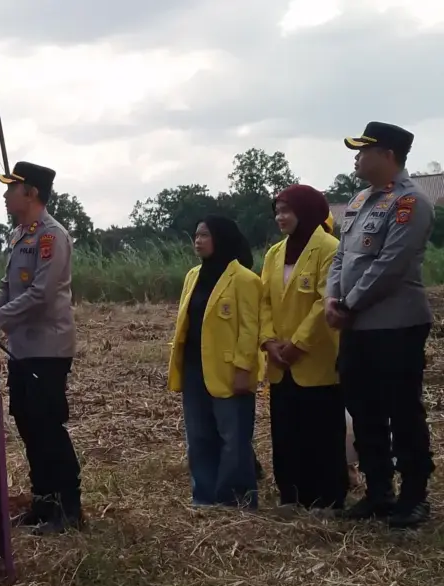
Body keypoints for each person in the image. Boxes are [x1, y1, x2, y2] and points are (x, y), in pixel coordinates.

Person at [328, 121, 436, 528]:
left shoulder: (410, 203)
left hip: (396, 325)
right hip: (356, 327)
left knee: (402, 411)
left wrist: (349, 303)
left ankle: (414, 495)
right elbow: (342, 256)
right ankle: (378, 491)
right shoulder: (359, 201)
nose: (356, 158)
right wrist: (331, 298)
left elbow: (392, 264)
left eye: (363, 150)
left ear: (388, 155)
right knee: (363, 409)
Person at [0, 161, 81, 534]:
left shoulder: (52, 236)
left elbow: (41, 293)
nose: (5, 195)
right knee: (28, 423)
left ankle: (68, 508)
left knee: (48, 426)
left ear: (30, 193)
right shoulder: (21, 235)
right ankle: (43, 503)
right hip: (22, 348)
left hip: (47, 348)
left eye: (11, 188)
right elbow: (7, 285)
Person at [259, 184, 348, 510]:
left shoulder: (330, 248)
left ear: (307, 211)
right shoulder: (274, 253)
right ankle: (291, 495)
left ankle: (327, 499)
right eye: (277, 211)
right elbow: (264, 301)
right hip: (280, 362)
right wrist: (269, 341)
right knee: (286, 431)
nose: (280, 217)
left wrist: (297, 345)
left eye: (287, 211)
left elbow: (325, 301)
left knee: (321, 432)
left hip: (315, 358)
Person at [167, 216, 262, 509]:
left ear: (221, 238)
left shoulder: (245, 279)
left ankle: (235, 498)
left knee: (233, 438)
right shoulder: (192, 276)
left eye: (205, 235)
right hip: (194, 368)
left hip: (230, 370)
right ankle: (204, 496)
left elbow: (250, 328)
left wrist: (243, 368)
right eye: (196, 235)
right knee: (199, 436)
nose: (198, 241)